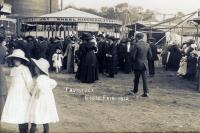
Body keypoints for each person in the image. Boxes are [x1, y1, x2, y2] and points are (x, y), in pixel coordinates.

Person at [1, 49, 33, 133]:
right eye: (15, 59)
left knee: (23, 111)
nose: (16, 61)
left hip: (23, 94)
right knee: (18, 112)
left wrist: (31, 92)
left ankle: (24, 129)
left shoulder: (25, 69)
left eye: (18, 59)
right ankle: (21, 129)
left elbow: (29, 82)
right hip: (15, 94)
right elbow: (13, 82)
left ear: (21, 60)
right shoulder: (13, 69)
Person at [28, 58, 59, 133]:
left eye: (36, 67)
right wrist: (48, 90)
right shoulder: (47, 79)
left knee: (34, 119)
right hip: (47, 101)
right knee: (45, 119)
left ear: (39, 69)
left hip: (39, 101)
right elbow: (54, 83)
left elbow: (37, 89)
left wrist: (32, 93)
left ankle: (32, 131)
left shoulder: (39, 79)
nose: (35, 68)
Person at [129, 32, 152, 97]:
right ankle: (146, 92)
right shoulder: (147, 44)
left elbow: (133, 56)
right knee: (145, 79)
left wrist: (132, 62)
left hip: (137, 64)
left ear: (137, 38)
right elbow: (150, 56)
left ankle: (135, 90)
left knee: (136, 78)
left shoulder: (136, 45)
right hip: (144, 64)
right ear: (142, 37)